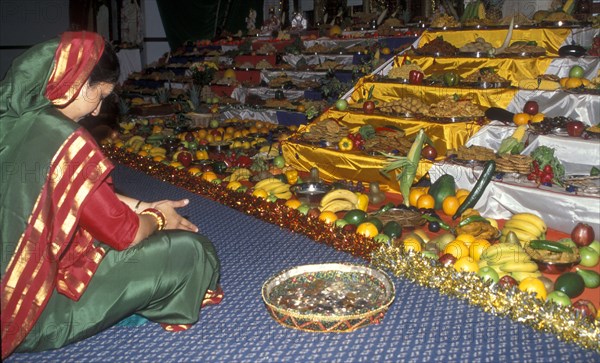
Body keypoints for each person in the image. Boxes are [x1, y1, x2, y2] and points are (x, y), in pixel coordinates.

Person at [0, 31, 221, 358]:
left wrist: (146, 205)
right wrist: (159, 218)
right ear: (74, 82)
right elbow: (126, 234)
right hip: (38, 311)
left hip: (13, 284)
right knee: (192, 251)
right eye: (99, 94)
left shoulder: (16, 120)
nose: (96, 111)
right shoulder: (65, 139)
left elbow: (79, 195)